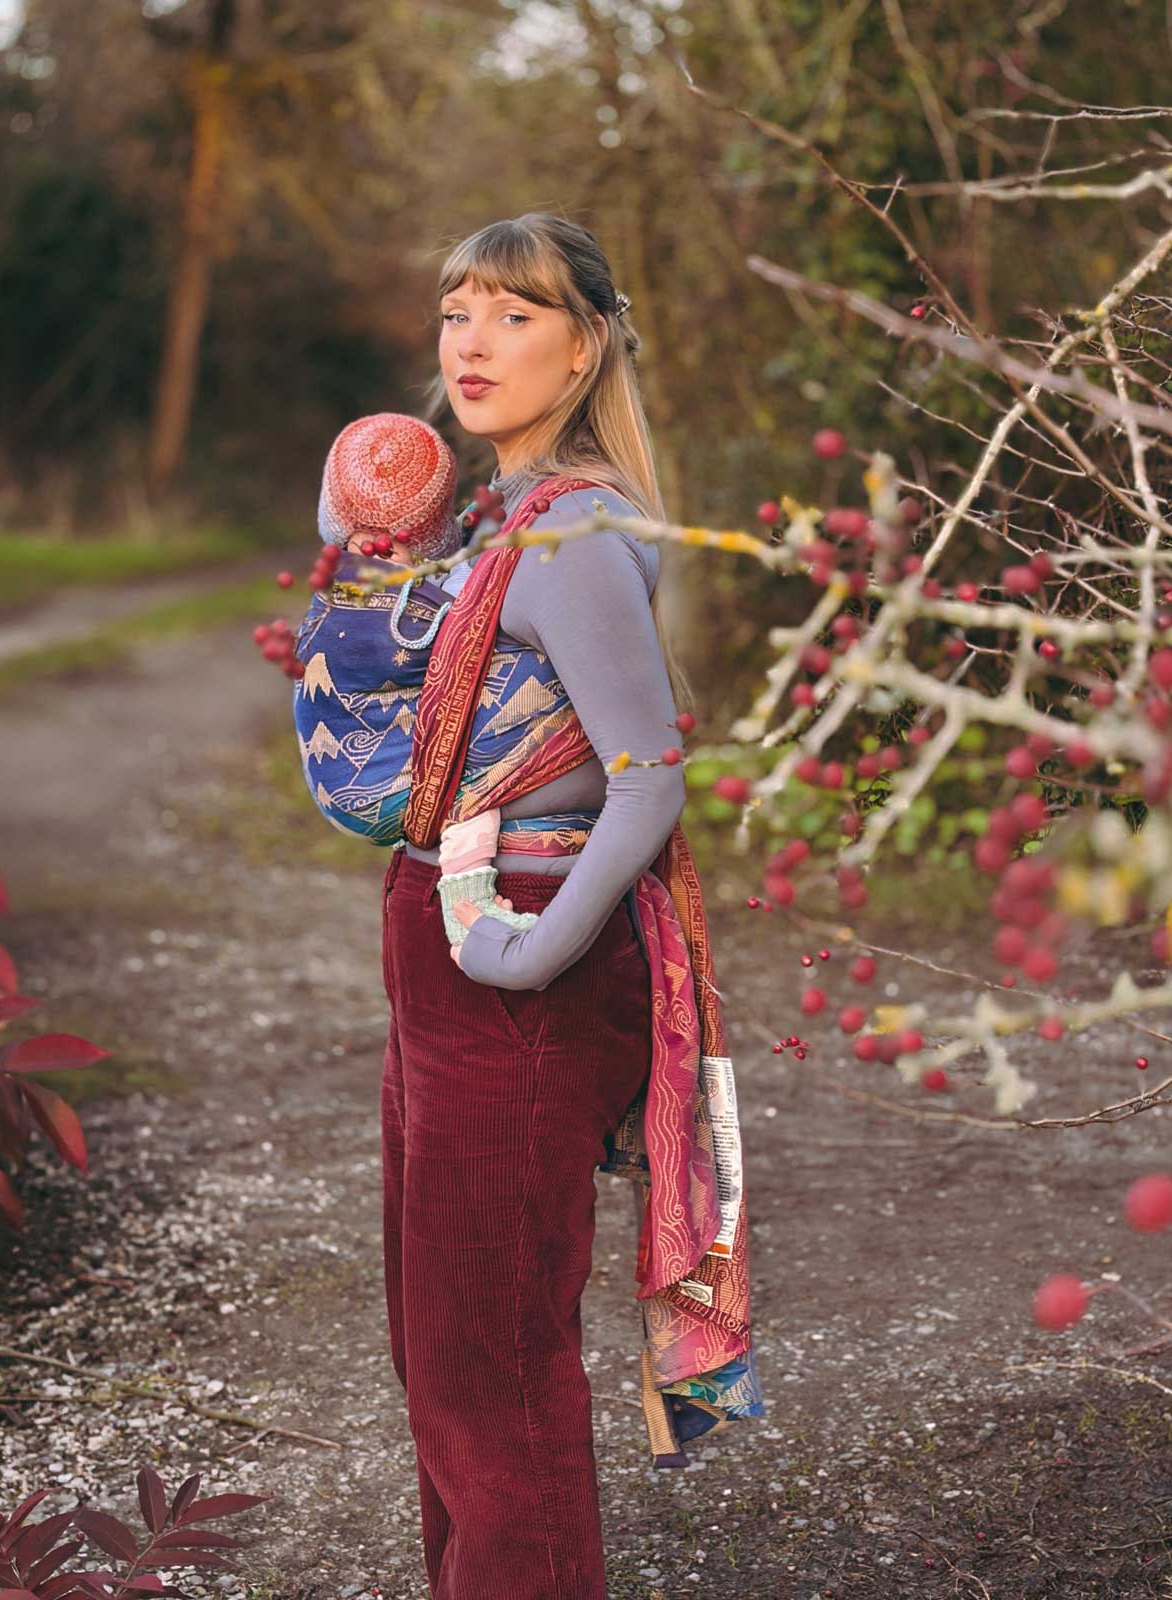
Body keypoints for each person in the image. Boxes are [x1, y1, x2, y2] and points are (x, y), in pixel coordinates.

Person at [378, 212, 761, 1600]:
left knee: (496, 1367)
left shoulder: (575, 533)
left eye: (515, 314)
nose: (471, 341)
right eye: (456, 311)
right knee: (440, 1349)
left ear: (588, 344)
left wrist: (539, 957)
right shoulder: (497, 519)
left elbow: (649, 777)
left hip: (521, 960)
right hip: (447, 943)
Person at [292, 409, 558, 945]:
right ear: (432, 527)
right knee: (480, 776)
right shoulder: (392, 614)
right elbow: (467, 635)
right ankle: (467, 906)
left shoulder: (344, 580)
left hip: (337, 779)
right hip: (375, 784)